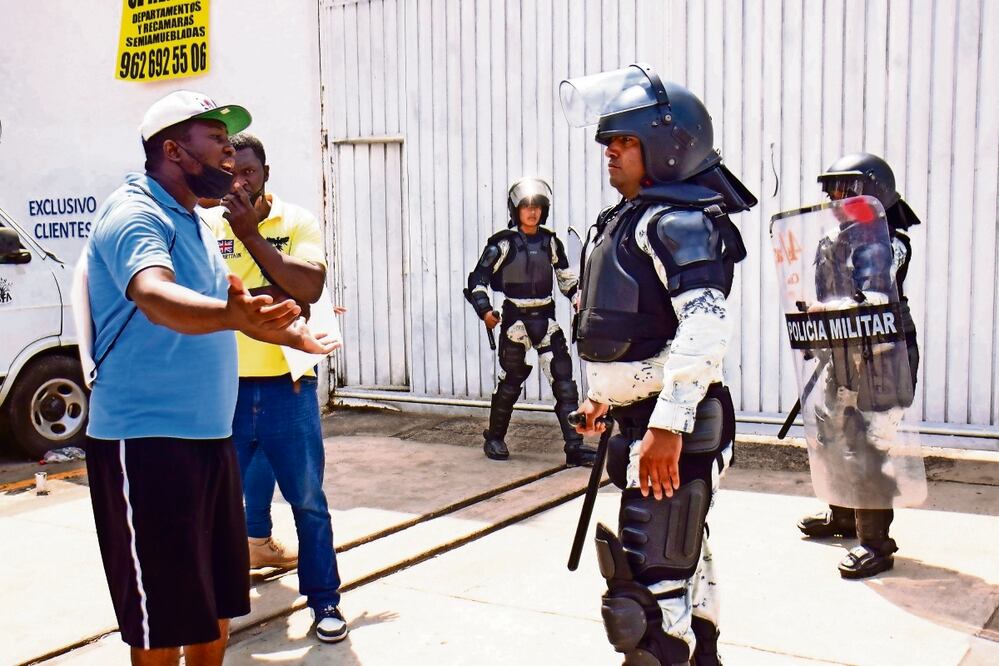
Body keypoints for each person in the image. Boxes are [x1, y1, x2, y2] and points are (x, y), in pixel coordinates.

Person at [82, 91, 336, 665]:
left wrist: (289, 334)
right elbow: (154, 293)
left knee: (214, 609)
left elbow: (230, 307)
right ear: (174, 150)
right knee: (161, 624)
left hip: (209, 439)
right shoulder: (136, 214)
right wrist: (232, 315)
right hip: (147, 444)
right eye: (216, 139)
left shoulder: (196, 221)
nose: (229, 151)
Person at [560, 64, 757, 665]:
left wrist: (669, 425)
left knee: (645, 599)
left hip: (677, 423)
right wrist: (604, 397)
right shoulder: (630, 218)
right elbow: (632, 330)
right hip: (642, 419)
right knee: (680, 565)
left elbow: (704, 327)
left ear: (667, 145)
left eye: (625, 141)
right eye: (609, 141)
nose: (610, 152)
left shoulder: (679, 222)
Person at [202, 132, 348, 642]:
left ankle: (325, 602)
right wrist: (274, 294)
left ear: (266, 173)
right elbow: (208, 298)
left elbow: (309, 289)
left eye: (249, 173)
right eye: (230, 174)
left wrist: (251, 237)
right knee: (217, 506)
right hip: (225, 389)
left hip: (290, 387)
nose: (239, 184)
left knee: (308, 500)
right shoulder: (206, 226)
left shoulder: (297, 221)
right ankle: (212, 611)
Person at [795, 152, 922, 579]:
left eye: (844, 189)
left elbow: (876, 298)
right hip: (844, 352)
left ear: (872, 192)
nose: (834, 198)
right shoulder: (837, 238)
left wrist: (825, 314)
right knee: (832, 431)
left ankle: (876, 544)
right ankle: (843, 515)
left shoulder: (887, 241)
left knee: (868, 444)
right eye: (831, 190)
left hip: (883, 358)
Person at [465, 177, 596, 466]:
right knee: (511, 379)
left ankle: (575, 446)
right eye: (526, 206)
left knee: (564, 381)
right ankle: (494, 437)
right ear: (516, 209)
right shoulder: (502, 244)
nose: (532, 211)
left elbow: (566, 279)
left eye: (537, 206)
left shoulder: (550, 242)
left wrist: (578, 298)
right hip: (515, 321)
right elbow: (477, 281)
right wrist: (485, 311)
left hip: (546, 319)